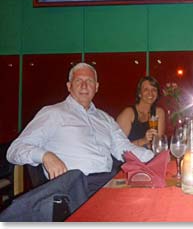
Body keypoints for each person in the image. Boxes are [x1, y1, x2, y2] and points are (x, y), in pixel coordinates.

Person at [7, 63, 154, 193]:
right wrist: (45, 155)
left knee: (151, 195)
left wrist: (157, 158)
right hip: (74, 189)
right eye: (79, 81)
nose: (84, 86)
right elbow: (15, 150)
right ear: (69, 86)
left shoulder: (105, 118)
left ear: (96, 87)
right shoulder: (53, 113)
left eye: (89, 81)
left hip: (107, 184)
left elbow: (124, 148)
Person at [116, 76, 165, 148]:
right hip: (128, 158)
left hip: (148, 157)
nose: (150, 93)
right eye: (146, 89)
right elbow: (118, 147)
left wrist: (153, 144)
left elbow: (158, 145)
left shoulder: (159, 113)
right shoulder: (128, 113)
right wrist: (144, 140)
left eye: (154, 90)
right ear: (139, 93)